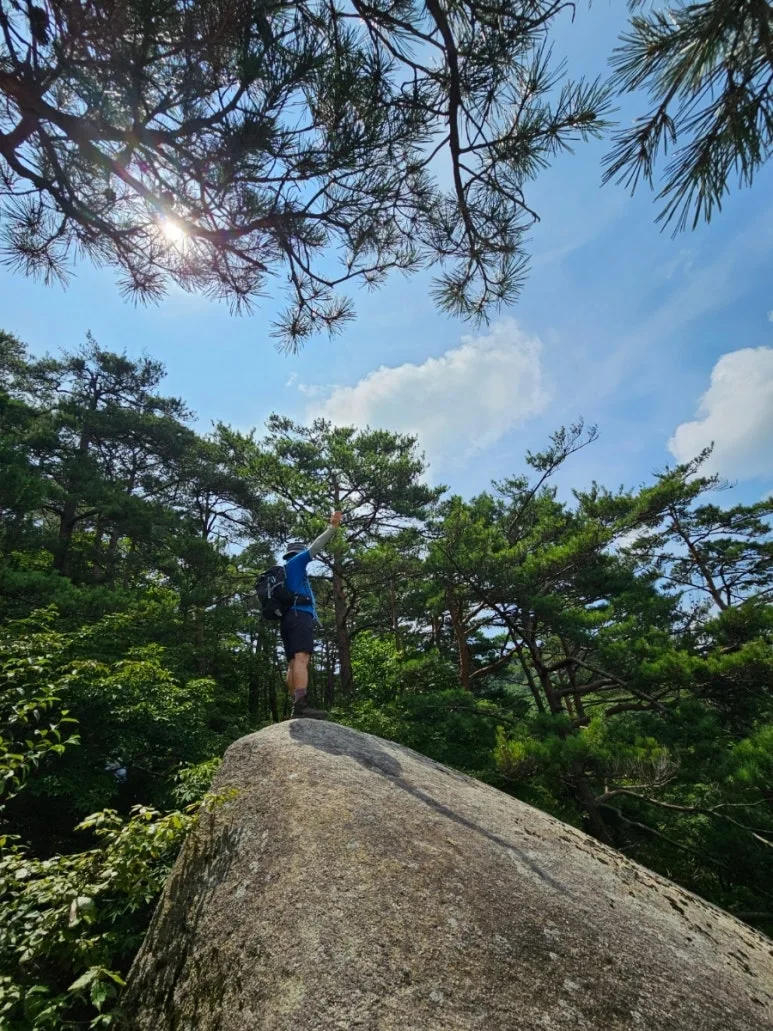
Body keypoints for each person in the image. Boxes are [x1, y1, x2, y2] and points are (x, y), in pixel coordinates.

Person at [282, 511, 343, 719]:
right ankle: (301, 705)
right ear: (296, 554)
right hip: (299, 616)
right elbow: (315, 548)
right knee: (302, 657)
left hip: (288, 618)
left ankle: (296, 703)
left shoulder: (286, 571)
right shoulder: (296, 563)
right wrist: (332, 528)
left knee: (293, 661)